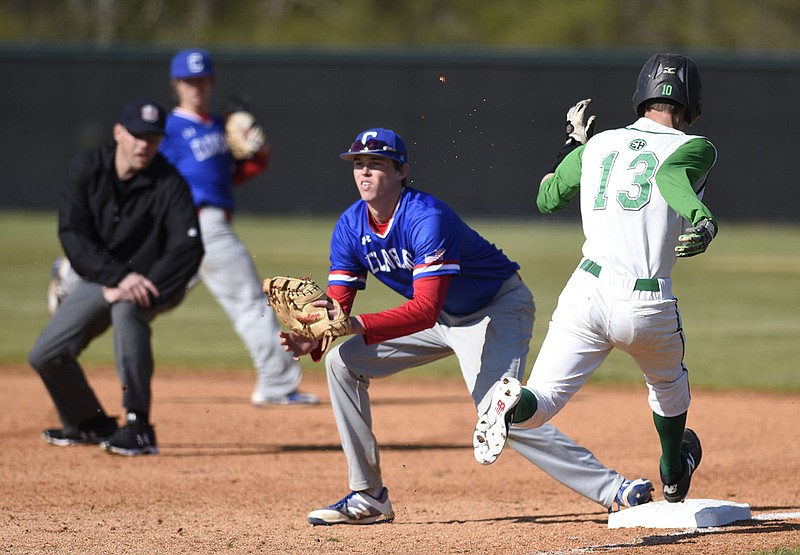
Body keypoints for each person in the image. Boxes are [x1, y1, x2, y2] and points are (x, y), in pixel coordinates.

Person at [279, 127, 654, 526]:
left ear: (402, 170)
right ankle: (369, 495)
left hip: (495, 308)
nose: (364, 173)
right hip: (441, 318)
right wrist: (314, 335)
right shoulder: (350, 227)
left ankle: (614, 489)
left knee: (497, 411)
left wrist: (351, 324)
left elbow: (423, 309)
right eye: (358, 164)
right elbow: (339, 307)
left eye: (376, 163)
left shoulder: (426, 217)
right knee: (343, 363)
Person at [474, 52, 715, 504]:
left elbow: (548, 198)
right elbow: (671, 179)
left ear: (641, 95)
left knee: (540, 404)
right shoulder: (696, 146)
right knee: (668, 388)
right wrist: (703, 219)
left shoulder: (598, 145)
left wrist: (575, 145)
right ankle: (672, 472)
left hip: (585, 292)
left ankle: (509, 406)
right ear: (690, 103)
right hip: (645, 300)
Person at [29, 99, 204, 456]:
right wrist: (118, 278)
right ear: (118, 132)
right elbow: (72, 234)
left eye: (153, 138)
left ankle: (138, 426)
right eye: (137, 135)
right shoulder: (88, 168)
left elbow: (188, 248)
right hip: (103, 278)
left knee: (128, 311)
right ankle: (88, 423)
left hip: (155, 282)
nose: (144, 145)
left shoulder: (169, 182)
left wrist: (146, 286)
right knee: (46, 354)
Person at [158, 48, 317, 406]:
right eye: (188, 81)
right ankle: (276, 384)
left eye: (201, 80)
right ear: (175, 85)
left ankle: (77, 284)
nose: (196, 87)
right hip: (197, 223)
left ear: (211, 82)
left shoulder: (218, 125)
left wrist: (257, 154)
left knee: (155, 299)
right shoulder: (167, 130)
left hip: (205, 223)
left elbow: (228, 178)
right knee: (249, 302)